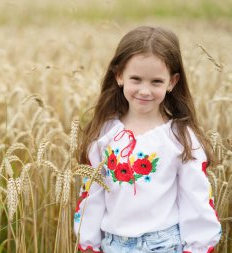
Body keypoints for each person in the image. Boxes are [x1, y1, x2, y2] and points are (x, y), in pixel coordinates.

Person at [73, 26, 222, 253]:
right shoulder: (104, 133)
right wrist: (89, 242)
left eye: (156, 82)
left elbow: (195, 196)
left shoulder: (180, 137)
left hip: (164, 244)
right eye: (136, 79)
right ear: (119, 75)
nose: (145, 90)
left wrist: (199, 245)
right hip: (113, 244)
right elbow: (93, 192)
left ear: (172, 82)